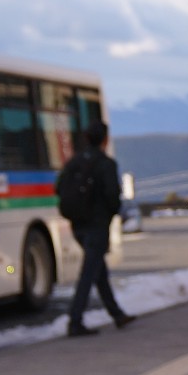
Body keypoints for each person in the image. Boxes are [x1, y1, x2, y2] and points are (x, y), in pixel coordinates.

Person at [54, 121, 133, 338]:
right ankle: (75, 320)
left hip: (77, 224)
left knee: (98, 270)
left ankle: (117, 314)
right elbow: (112, 197)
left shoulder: (73, 162)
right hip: (97, 225)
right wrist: (110, 212)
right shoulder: (106, 164)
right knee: (89, 272)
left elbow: (58, 187)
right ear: (105, 139)